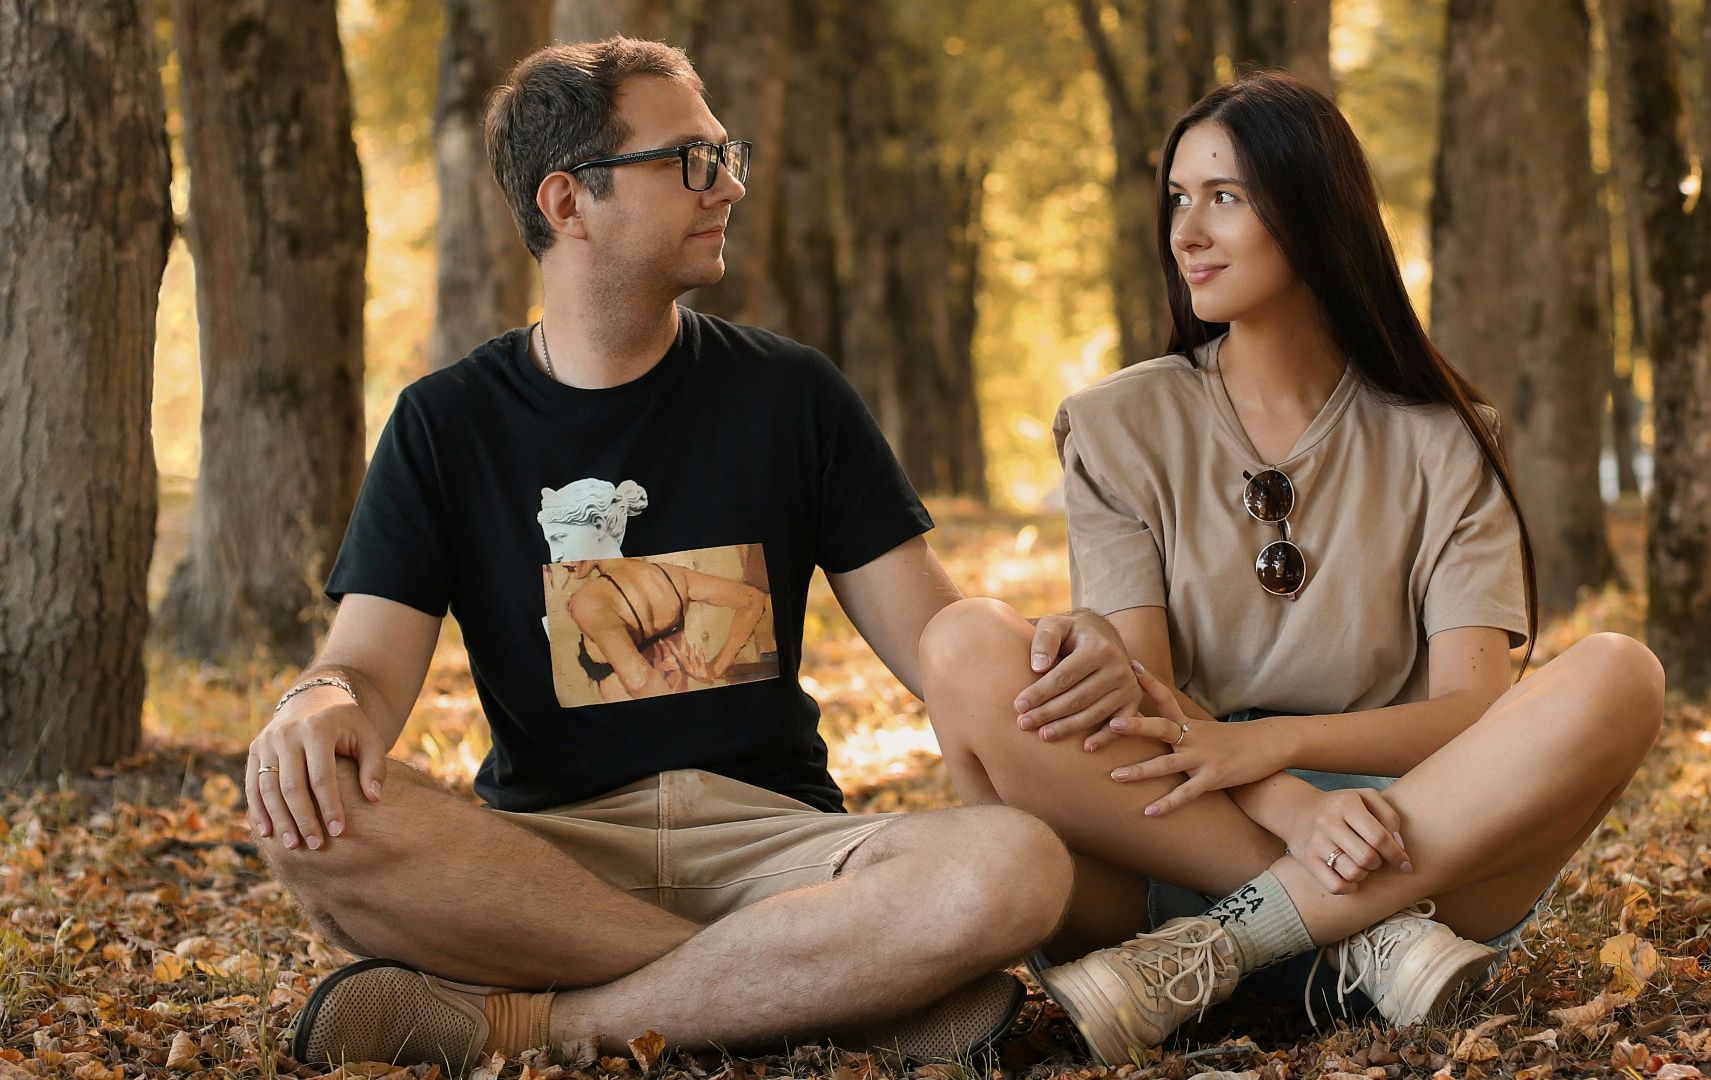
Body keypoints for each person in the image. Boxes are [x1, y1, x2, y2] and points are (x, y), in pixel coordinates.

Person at [246, 37, 1143, 1073]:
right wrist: (315, 700)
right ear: (567, 202)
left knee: (1018, 866)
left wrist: (1042, 641)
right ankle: (824, 995)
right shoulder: (444, 424)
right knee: (304, 816)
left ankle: (551, 1024)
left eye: (726, 154)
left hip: (780, 849)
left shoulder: (793, 394)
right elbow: (362, 670)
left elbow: (934, 630)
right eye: (691, 161)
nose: (732, 185)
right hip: (547, 856)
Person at [919, 70, 1666, 1065]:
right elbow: (1144, 703)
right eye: (1178, 200)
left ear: (1315, 212)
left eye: (1224, 197)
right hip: (1174, 844)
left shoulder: (1447, 441)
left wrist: (1280, 747)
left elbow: (1472, 715)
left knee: (1622, 670)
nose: (1187, 230)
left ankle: (1224, 950)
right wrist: (1295, 806)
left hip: (1416, 852)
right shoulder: (1115, 426)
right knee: (964, 642)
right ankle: (1358, 939)